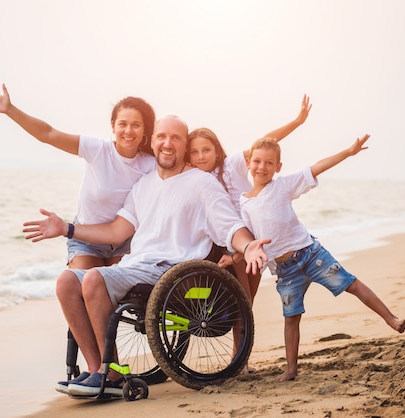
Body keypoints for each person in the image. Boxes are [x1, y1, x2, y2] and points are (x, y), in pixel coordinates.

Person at [22, 115, 270, 396]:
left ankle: (112, 373)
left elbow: (230, 226)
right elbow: (117, 232)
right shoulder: (144, 184)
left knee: (93, 279)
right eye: (162, 136)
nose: (168, 143)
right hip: (135, 265)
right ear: (152, 142)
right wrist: (67, 228)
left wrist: (249, 246)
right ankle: (96, 370)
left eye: (176, 138)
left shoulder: (201, 184)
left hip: (171, 270)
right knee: (67, 281)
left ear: (184, 145)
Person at [239, 136, 405, 382]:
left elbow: (318, 166)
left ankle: (391, 319)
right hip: (285, 271)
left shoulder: (283, 186)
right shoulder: (244, 202)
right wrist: (233, 256)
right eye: (257, 161)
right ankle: (291, 370)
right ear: (248, 162)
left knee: (351, 284)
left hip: (310, 254)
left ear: (278, 167)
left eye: (269, 163)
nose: (261, 167)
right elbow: (247, 238)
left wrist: (348, 152)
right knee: (291, 317)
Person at [0, 84, 157, 270]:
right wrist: (10, 110)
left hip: (126, 242)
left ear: (145, 129)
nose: (128, 131)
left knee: (121, 295)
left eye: (136, 125)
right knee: (81, 284)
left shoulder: (151, 165)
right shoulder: (97, 150)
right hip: (85, 238)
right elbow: (48, 134)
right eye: (123, 124)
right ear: (113, 126)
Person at [187, 95, 312, 303]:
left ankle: (243, 333)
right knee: (232, 297)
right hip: (226, 242)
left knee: (247, 300)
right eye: (194, 152)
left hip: (253, 238)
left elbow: (265, 142)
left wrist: (297, 122)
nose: (201, 156)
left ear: (216, 150)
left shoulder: (231, 165)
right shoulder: (194, 179)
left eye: (206, 150)